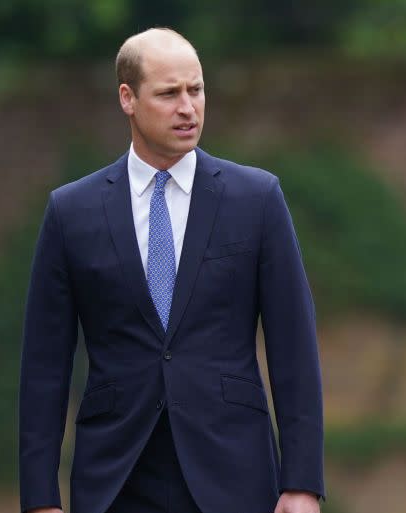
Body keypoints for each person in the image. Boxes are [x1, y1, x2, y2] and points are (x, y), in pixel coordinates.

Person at [18, 28, 324, 513]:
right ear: (128, 98)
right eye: (168, 93)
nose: (188, 107)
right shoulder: (70, 212)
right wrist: (39, 499)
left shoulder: (257, 199)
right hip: (116, 477)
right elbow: (43, 367)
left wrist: (302, 483)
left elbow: (295, 347)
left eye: (196, 90)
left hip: (234, 472)